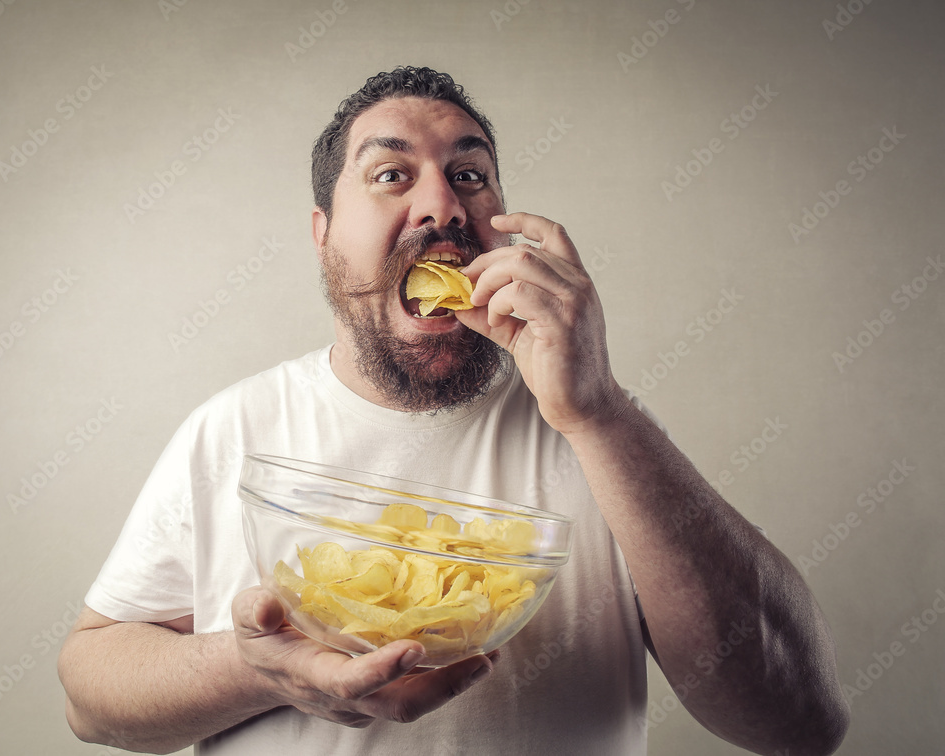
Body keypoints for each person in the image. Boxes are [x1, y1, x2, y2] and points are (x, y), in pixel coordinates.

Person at [58, 67, 849, 755]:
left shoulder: (600, 434)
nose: (442, 205)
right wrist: (252, 668)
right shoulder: (232, 430)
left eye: (470, 176)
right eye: (391, 176)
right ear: (323, 234)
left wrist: (598, 408)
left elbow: (800, 723)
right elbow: (90, 701)